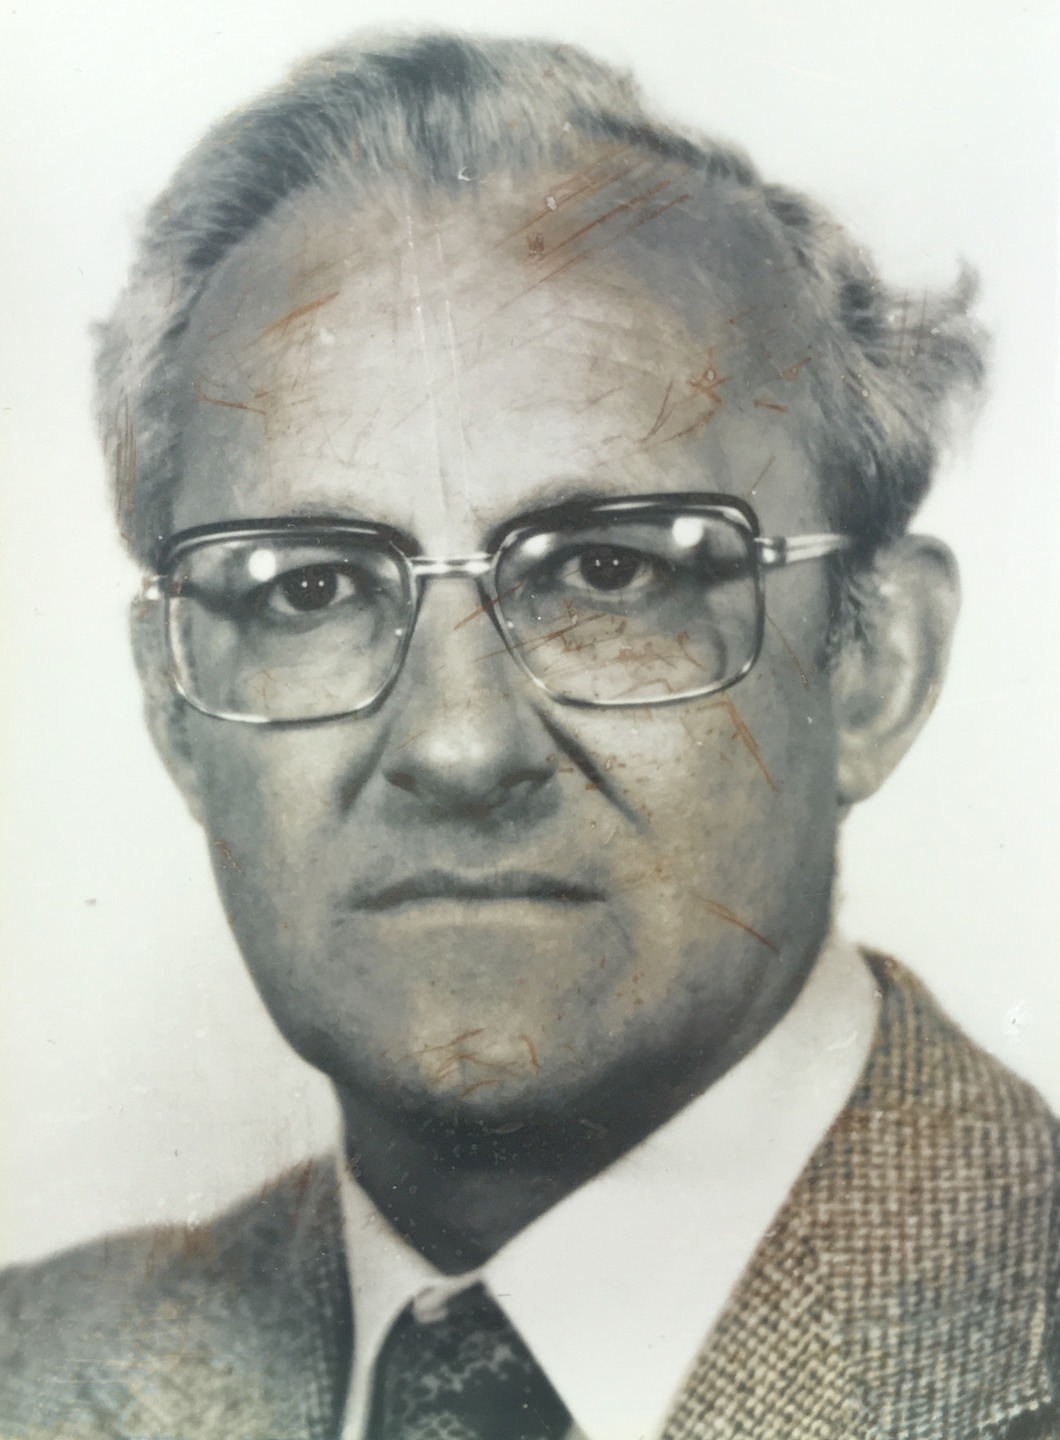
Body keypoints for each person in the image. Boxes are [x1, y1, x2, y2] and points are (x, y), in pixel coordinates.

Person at [1, 29, 1056, 1440]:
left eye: (610, 572)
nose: (459, 747)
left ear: (877, 665)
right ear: (176, 710)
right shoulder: (32, 1372)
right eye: (311, 588)